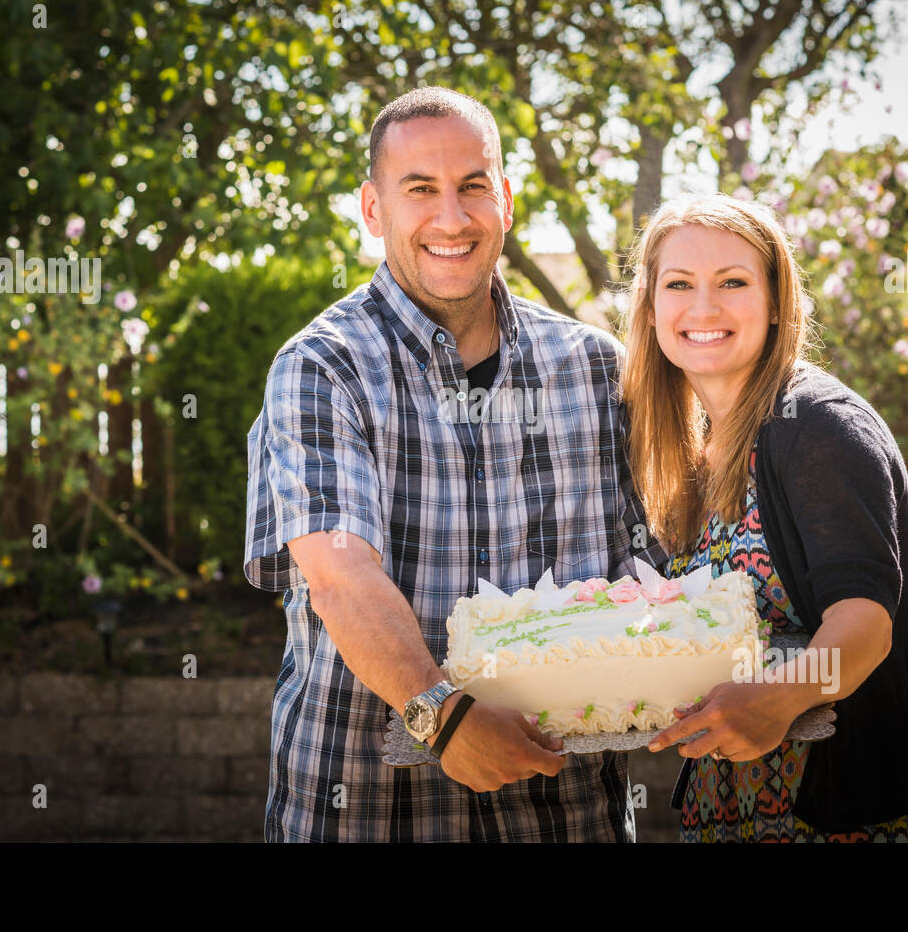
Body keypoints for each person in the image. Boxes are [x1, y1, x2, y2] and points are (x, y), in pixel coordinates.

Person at [243, 86, 669, 841]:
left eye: (473, 187)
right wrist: (442, 716)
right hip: (366, 814)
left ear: (505, 198)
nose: (451, 217)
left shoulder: (597, 368)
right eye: (420, 191)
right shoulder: (321, 368)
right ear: (374, 211)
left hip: (567, 817)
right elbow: (341, 578)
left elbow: (660, 570)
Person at [631, 192, 908, 841]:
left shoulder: (816, 425)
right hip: (728, 815)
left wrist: (781, 698)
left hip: (850, 819)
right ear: (651, 310)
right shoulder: (702, 445)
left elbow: (865, 624)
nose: (703, 306)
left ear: (774, 301)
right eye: (679, 283)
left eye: (732, 281)